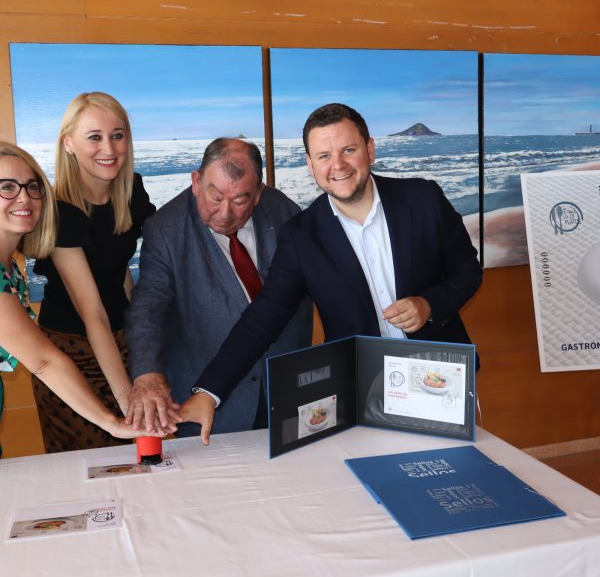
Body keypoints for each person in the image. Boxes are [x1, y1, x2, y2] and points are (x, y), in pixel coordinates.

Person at [180, 103, 483, 444]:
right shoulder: (301, 236)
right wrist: (208, 392)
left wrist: (430, 304)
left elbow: (467, 270)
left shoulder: (423, 199)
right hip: (360, 388)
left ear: (370, 149)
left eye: (348, 150)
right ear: (310, 164)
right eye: (323, 156)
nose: (337, 165)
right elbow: (263, 317)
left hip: (440, 376)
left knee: (444, 480)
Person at [124, 138, 313, 436]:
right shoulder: (165, 230)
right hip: (214, 406)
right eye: (215, 198)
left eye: (239, 201)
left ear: (258, 194)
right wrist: (147, 375)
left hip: (289, 390)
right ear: (196, 182)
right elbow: (149, 309)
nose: (225, 214)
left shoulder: (284, 211)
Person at [0, 142, 161, 458]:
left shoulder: (10, 265)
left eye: (33, 187)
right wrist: (112, 422)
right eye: (7, 187)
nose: (24, 197)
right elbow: (45, 362)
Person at [31, 92, 166, 453]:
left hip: (119, 340)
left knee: (142, 459)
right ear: (69, 143)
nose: (109, 147)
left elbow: (119, 271)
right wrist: (129, 403)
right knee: (92, 465)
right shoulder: (60, 212)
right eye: (94, 136)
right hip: (71, 356)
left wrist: (140, 340)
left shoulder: (131, 190)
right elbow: (93, 317)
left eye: (118, 134)